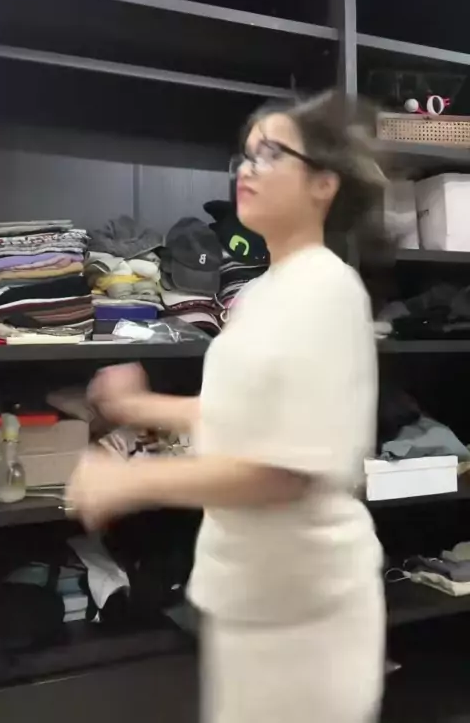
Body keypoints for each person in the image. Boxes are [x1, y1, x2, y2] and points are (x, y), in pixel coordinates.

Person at [67, 90, 386, 723]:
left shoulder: (328, 289)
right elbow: (238, 415)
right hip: (248, 599)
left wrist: (132, 481)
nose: (247, 168)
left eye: (270, 153)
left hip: (305, 617)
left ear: (323, 184)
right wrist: (138, 405)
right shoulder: (262, 292)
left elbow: (286, 469)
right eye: (244, 155)